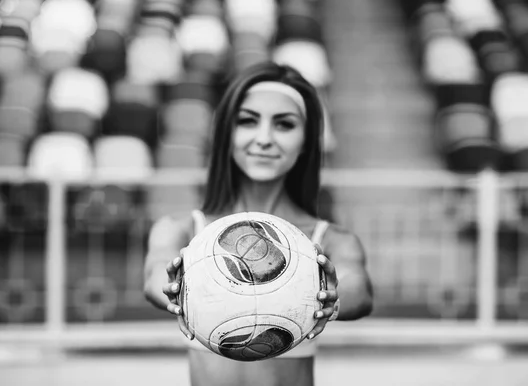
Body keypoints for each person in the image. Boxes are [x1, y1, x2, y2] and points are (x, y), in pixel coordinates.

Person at [144, 62, 373, 386]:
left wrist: (333, 299)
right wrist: (173, 291)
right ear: (226, 133)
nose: (264, 139)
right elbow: (154, 276)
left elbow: (358, 290)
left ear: (307, 140)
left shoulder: (331, 241)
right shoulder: (182, 231)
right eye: (248, 121)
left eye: (284, 124)